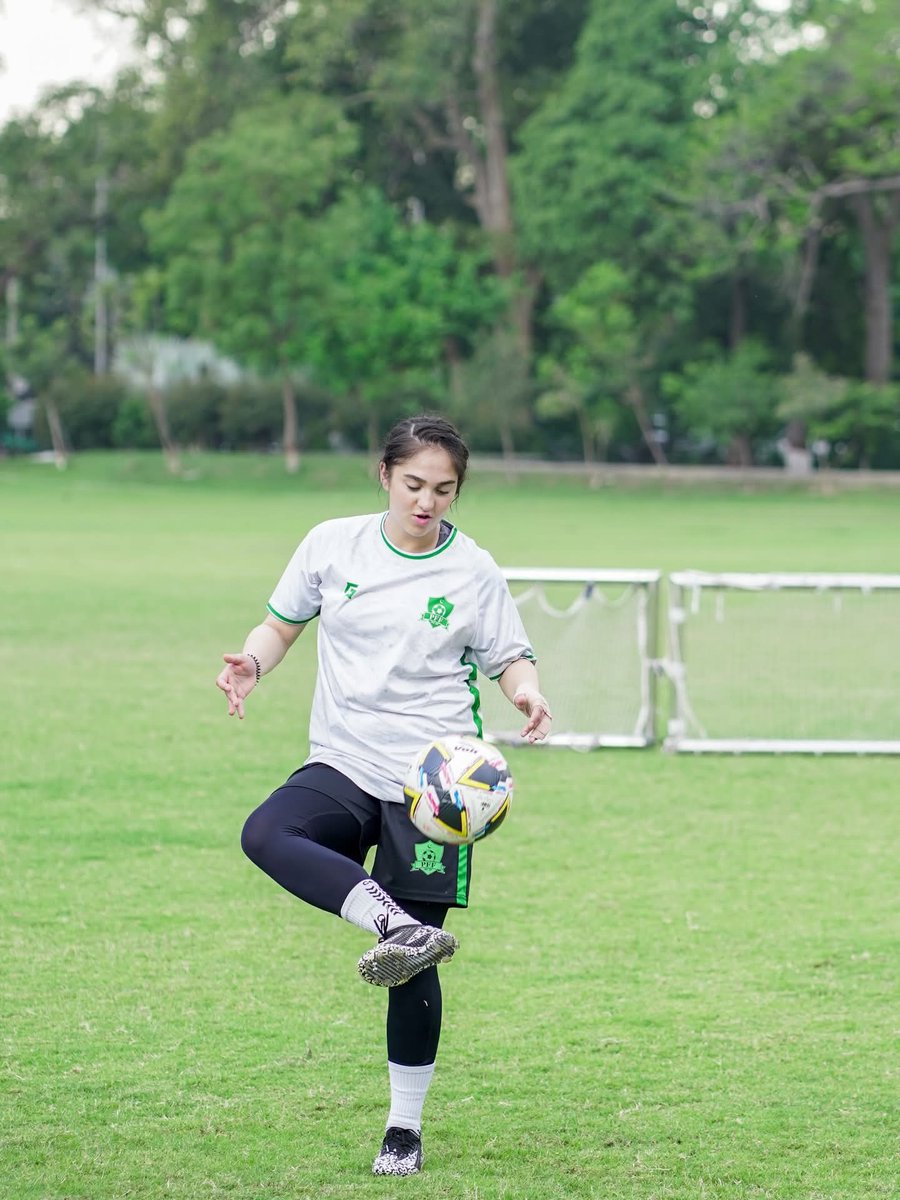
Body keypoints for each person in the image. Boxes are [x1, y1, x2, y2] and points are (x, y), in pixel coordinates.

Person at [216, 414, 552, 1177]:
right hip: (342, 760)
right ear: (384, 476)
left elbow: (510, 656)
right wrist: (251, 665)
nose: (427, 502)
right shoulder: (332, 544)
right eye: (414, 485)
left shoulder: (474, 570)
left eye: (443, 490)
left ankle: (404, 1127)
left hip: (436, 782)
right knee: (267, 833)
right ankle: (391, 922)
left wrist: (528, 694)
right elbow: (281, 625)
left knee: (415, 969)